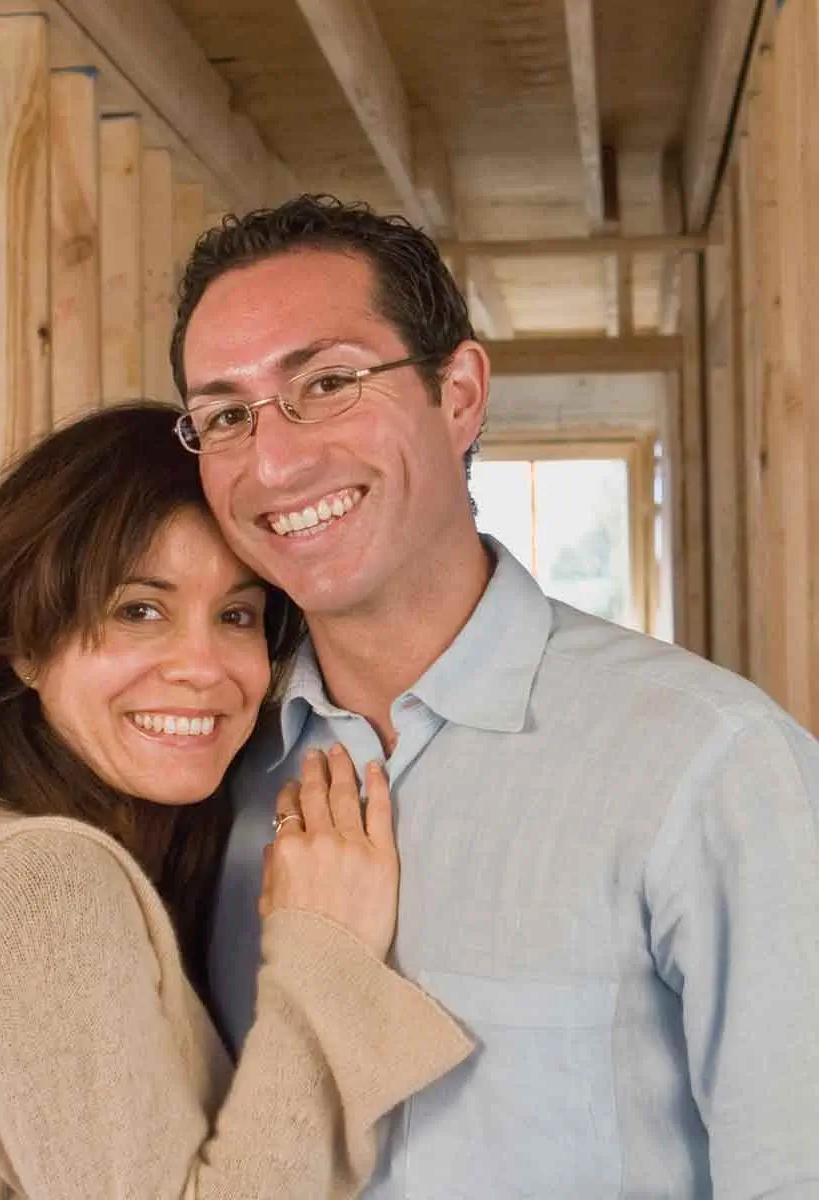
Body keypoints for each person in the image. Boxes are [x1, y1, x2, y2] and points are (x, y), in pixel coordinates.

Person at [170, 195, 819, 1198]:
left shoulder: (711, 765)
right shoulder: (209, 775)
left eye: (329, 382)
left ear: (460, 392)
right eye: (224, 416)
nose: (276, 460)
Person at [0, 402, 473, 1199]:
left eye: (236, 615)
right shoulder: (40, 881)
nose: (203, 667)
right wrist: (327, 957)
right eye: (140, 610)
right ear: (29, 642)